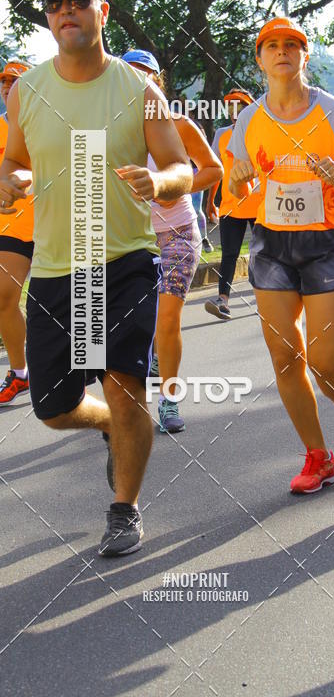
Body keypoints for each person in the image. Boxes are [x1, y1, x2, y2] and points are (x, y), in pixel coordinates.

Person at [0, 0, 192, 556]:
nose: (66, 11)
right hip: (58, 268)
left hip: (125, 260)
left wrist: (160, 183)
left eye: (77, 0)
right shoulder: (27, 91)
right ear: (48, 17)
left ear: (101, 11)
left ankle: (124, 508)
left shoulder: (139, 90)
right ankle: (107, 423)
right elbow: (14, 159)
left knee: (126, 387)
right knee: (54, 408)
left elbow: (182, 166)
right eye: (55, 2)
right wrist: (10, 180)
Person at [228, 16, 334, 493]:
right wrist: (238, 178)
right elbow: (236, 188)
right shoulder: (250, 119)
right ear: (260, 59)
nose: (282, 52)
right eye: (272, 45)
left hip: (327, 241)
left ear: (304, 55)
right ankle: (318, 457)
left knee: (324, 360)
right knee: (284, 356)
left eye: (291, 44)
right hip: (272, 244)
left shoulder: (330, 110)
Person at [123, 50, 223, 432]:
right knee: (136, 322)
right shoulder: (111, 130)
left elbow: (214, 169)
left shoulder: (178, 124)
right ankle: (145, 368)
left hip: (179, 232)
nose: (137, 81)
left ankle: (168, 400)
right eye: (129, 74)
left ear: (157, 82)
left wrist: (175, 188)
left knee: (167, 318)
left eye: (145, 74)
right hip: (133, 239)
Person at [205, 89, 259, 320]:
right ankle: (223, 301)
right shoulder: (221, 134)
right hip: (230, 205)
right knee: (229, 254)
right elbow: (216, 171)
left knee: (262, 253)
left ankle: (267, 298)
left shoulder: (259, 132)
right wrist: (210, 202)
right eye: (230, 106)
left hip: (258, 205)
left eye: (239, 105)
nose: (234, 110)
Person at [0, 60, 34, 404]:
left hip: (57, 224)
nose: (8, 87)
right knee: (3, 297)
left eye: (15, 81)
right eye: (4, 82)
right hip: (12, 225)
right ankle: (20, 373)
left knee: (70, 303)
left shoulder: (48, 124)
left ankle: (77, 374)